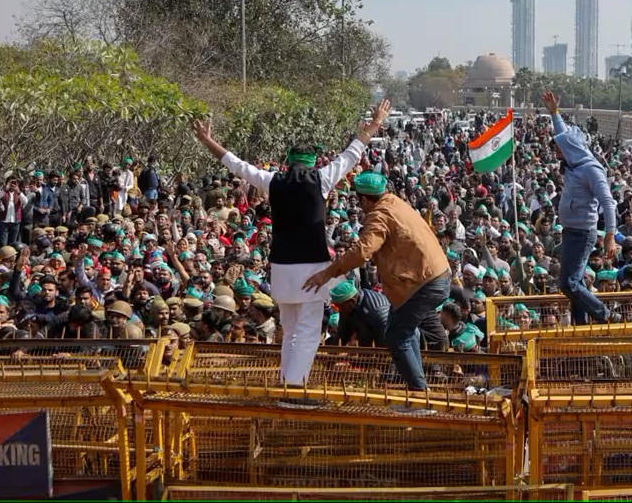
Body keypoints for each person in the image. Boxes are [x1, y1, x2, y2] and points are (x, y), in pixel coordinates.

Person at [192, 99, 390, 391]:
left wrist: (209, 141)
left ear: (289, 161)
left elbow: (237, 165)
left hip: (282, 268)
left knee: (291, 329)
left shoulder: (273, 181)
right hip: (312, 266)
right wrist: (373, 125)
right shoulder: (323, 178)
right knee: (308, 331)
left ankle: (287, 383)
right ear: (313, 163)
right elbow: (352, 153)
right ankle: (295, 389)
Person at [303, 171, 450, 401]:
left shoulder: (380, 214)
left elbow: (362, 251)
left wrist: (328, 273)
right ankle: (419, 388)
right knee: (402, 330)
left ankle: (420, 395)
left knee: (396, 336)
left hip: (422, 282)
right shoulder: (395, 202)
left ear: (363, 200)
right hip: (426, 278)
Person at [540, 91, 619, 324]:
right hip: (570, 231)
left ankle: (606, 315)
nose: (555, 150)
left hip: (583, 233)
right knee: (573, 282)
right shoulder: (574, 160)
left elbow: (608, 202)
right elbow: (564, 134)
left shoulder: (591, 170)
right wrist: (554, 112)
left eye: (558, 148)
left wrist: (611, 236)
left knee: (568, 283)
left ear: (569, 150)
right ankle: (580, 323)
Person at [329, 279, 390, 348]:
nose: (339, 310)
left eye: (340, 307)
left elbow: (384, 347)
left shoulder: (378, 312)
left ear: (351, 302)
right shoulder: (349, 307)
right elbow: (342, 334)